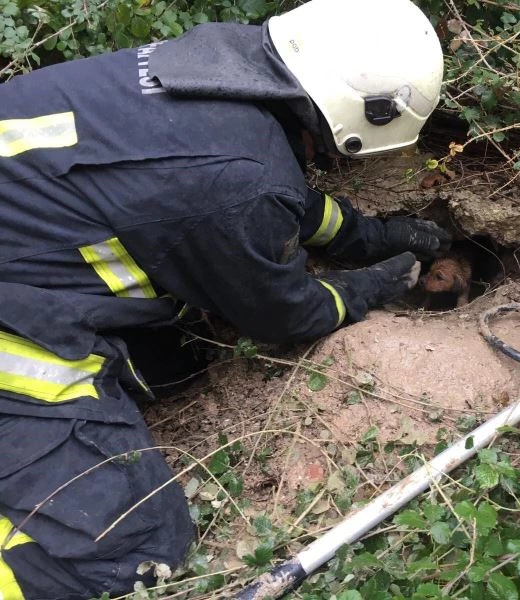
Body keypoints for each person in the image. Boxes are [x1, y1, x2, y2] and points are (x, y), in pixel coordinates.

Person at [0, 0, 449, 597]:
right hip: (18, 317)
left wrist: (371, 235)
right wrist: (370, 284)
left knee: (176, 362)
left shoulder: (206, 68)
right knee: (129, 545)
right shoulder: (235, 178)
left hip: (26, 247)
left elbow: (272, 195)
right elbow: (286, 314)